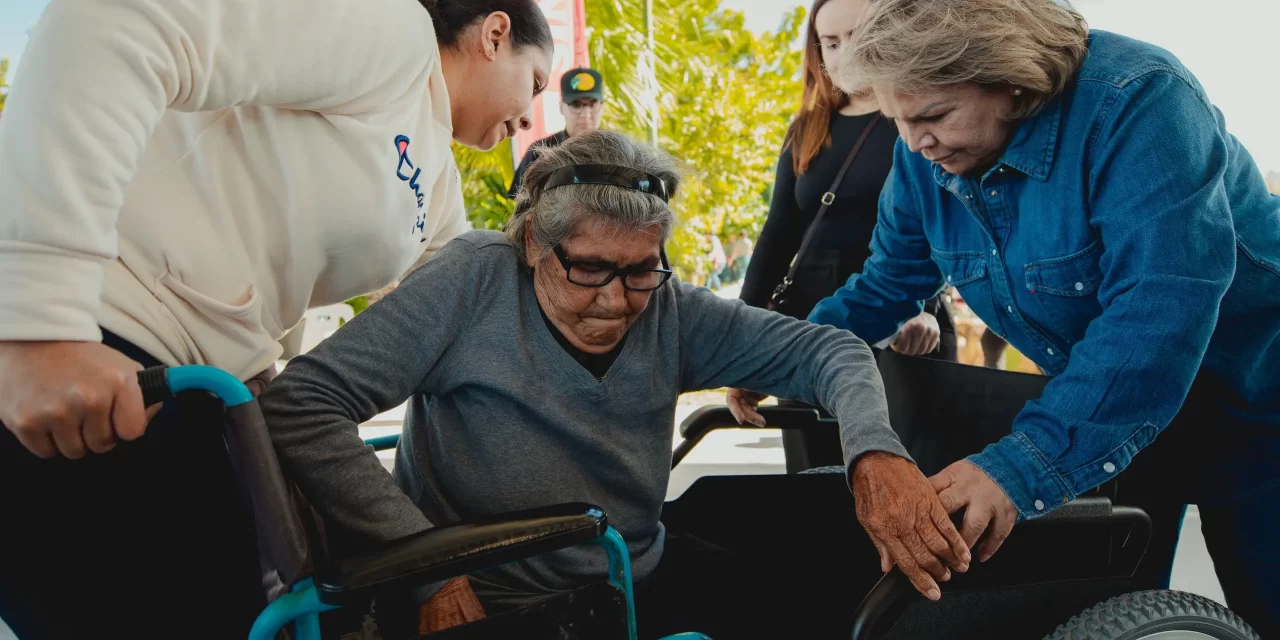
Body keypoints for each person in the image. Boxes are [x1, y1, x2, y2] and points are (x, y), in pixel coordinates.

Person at [260, 131, 971, 639]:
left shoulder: (667, 305)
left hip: (629, 571)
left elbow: (834, 354)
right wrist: (430, 569)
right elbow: (301, 402)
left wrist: (875, 453)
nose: (615, 300)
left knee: (836, 573)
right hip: (500, 598)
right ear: (535, 240)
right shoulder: (474, 278)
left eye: (640, 269)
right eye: (590, 268)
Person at [0, 0, 553, 636]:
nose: (531, 115)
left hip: (203, 395)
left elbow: (465, 305)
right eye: (535, 82)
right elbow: (116, 20)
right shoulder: (392, 35)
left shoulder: (438, 179)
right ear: (494, 33)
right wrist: (38, 325)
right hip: (100, 342)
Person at [780, 0, 1279, 634]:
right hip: (1104, 406)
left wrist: (1019, 467)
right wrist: (784, 355)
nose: (912, 144)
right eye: (896, 120)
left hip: (1257, 403)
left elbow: (1157, 311)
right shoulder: (922, 146)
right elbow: (888, 281)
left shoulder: (1141, 101)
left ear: (1011, 81)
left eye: (933, 116)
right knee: (1105, 614)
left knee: (1267, 600)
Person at [728, 0, 956, 472]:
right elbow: (776, 239)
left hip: (907, 314)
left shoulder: (917, 119)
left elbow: (952, 222)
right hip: (813, 314)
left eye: (857, 35)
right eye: (830, 42)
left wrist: (925, 309)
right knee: (816, 485)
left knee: (913, 480)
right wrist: (747, 350)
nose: (844, 53)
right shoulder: (808, 127)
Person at [507, 66, 607, 198]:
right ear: (561, 107)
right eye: (576, 105)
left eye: (592, 104)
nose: (585, 114)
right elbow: (518, 204)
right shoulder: (539, 153)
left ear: (602, 107)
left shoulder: (618, 151)